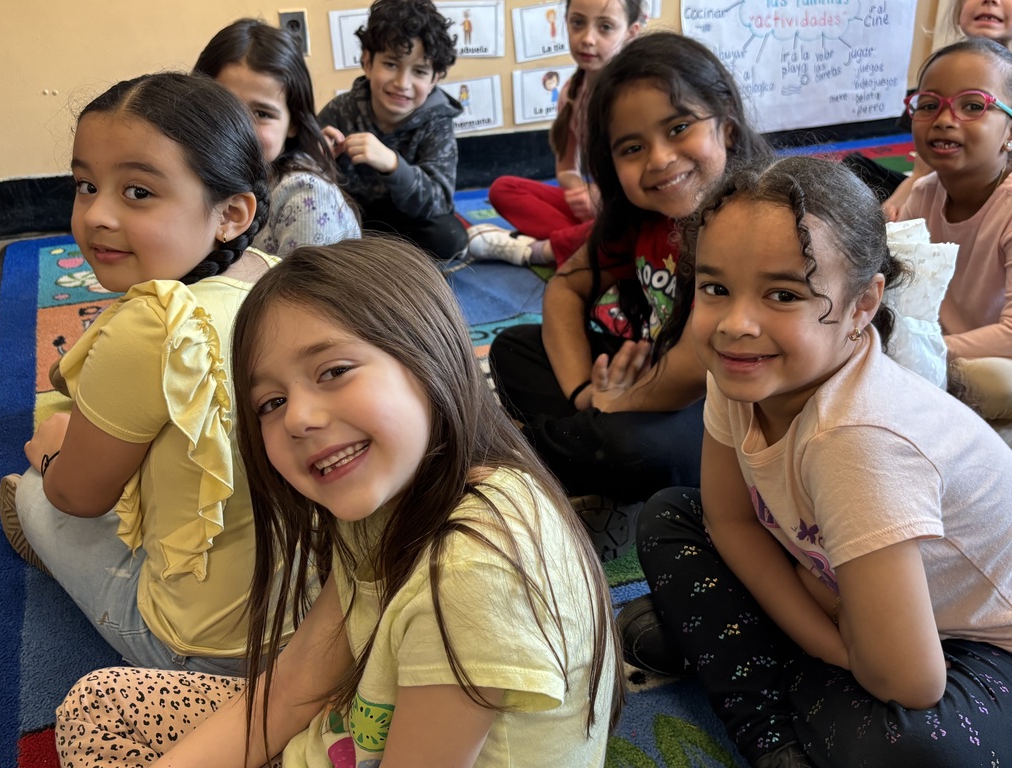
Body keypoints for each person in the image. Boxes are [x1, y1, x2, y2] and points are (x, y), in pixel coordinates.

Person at [55, 238, 623, 767]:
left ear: (431, 356)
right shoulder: (382, 502)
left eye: (334, 371)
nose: (298, 418)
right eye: (271, 402)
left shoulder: (476, 573)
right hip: (343, 733)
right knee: (98, 703)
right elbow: (293, 689)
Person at [623, 156, 1012, 768]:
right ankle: (775, 738)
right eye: (716, 288)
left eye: (783, 294)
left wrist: (818, 627)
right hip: (841, 597)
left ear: (862, 305)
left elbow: (912, 683)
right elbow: (729, 521)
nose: (736, 324)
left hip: (974, 645)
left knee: (909, 749)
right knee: (669, 516)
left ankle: (740, 649)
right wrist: (834, 638)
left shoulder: (856, 438)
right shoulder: (741, 374)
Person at [0, 73, 288, 674]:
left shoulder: (150, 324)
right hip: (323, 623)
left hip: (204, 650)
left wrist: (53, 456)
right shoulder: (274, 272)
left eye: (137, 192)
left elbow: (77, 498)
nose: (97, 215)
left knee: (32, 492)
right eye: (86, 185)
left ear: (231, 213)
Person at [488, 32, 773, 560]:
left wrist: (620, 403)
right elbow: (566, 289)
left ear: (728, 128)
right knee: (514, 349)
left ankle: (532, 457)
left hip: (726, 408)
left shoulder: (751, 222)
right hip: (639, 382)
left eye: (679, 128)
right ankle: (580, 449)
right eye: (633, 147)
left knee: (635, 447)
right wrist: (585, 392)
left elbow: (700, 361)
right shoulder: (640, 218)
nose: (660, 158)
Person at [467, 0, 643, 267]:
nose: (587, 39)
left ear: (631, 32)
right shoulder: (572, 93)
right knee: (503, 189)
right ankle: (592, 249)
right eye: (577, 23)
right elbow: (566, 169)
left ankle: (542, 251)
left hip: (633, 208)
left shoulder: (638, 96)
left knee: (634, 228)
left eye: (605, 27)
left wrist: (603, 197)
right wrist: (583, 193)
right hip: (599, 212)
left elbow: (648, 180)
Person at [317, 0, 467, 264]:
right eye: (391, 64)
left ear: (435, 78)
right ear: (367, 62)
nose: (402, 83)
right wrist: (316, 158)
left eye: (419, 71)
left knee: (448, 236)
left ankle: (385, 261)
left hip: (407, 222)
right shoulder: (340, 111)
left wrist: (394, 166)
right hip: (352, 218)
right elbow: (301, 178)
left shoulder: (437, 121)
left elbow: (438, 202)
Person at [194, 18, 360, 256]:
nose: (241, 128)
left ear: (293, 124)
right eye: (225, 107)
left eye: (262, 114)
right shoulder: (200, 181)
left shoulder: (304, 193)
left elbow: (312, 280)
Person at [897, 37, 1012, 362]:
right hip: (942, 356)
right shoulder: (923, 195)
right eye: (928, 105)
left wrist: (913, 352)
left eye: (973, 106)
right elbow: (893, 287)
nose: (945, 119)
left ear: (1010, 132)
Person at [847, 0, 1012, 220]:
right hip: (943, 187)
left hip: (989, 197)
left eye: (973, 106)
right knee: (853, 170)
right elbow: (922, 173)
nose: (990, 0)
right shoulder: (940, 73)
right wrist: (898, 202)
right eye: (930, 105)